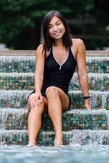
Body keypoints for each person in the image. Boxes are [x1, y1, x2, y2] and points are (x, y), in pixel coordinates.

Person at [26, 10, 91, 146]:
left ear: (64, 24)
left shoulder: (77, 45)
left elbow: (82, 73)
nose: (55, 29)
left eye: (58, 24)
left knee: (52, 90)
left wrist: (86, 100)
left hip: (60, 96)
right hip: (42, 93)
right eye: (50, 27)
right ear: (46, 31)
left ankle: (58, 137)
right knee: (36, 102)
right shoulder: (42, 49)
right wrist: (37, 93)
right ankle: (31, 144)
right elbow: (39, 73)